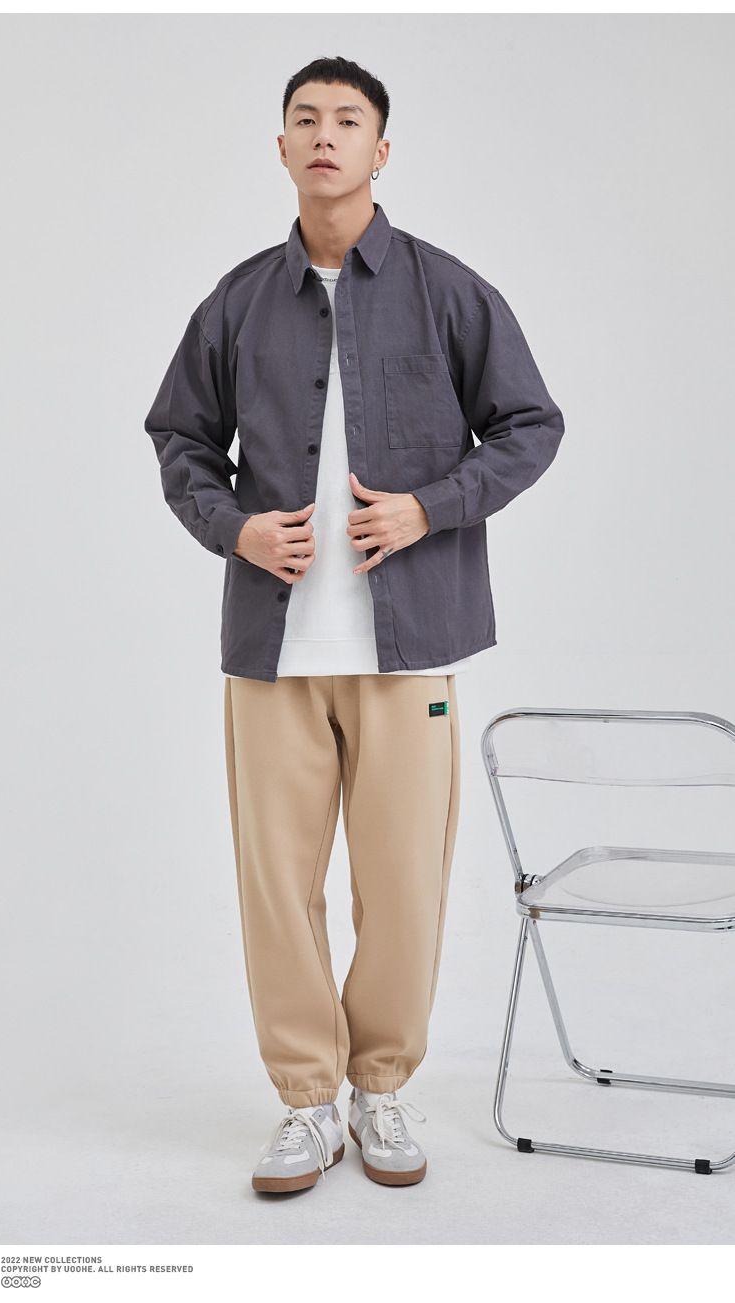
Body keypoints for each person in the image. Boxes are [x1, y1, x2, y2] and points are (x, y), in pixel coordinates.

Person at [144, 55, 563, 1194]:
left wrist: (432, 506)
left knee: (405, 885)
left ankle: (379, 1088)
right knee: (276, 888)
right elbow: (179, 439)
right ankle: (305, 1103)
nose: (324, 135)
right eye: (304, 119)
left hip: (409, 645)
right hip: (271, 654)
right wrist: (234, 528)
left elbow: (530, 424)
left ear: (382, 149)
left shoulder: (446, 290)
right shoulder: (237, 302)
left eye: (347, 119)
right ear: (281, 147)